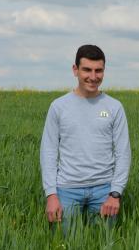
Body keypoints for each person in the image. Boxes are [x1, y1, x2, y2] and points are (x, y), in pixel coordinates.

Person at [40, 44, 131, 234]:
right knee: (65, 249)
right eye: (87, 70)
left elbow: (123, 152)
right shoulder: (59, 106)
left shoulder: (115, 107)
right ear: (75, 70)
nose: (93, 76)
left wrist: (115, 193)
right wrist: (51, 194)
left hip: (104, 191)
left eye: (98, 70)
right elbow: (48, 151)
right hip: (66, 190)